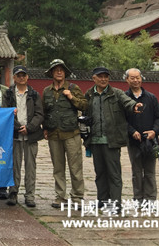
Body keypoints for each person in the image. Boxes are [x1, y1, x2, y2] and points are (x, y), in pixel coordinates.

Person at [83, 67, 143, 208]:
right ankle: (102, 200)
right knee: (100, 173)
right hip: (95, 140)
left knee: (114, 174)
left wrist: (135, 106)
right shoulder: (89, 94)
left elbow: (127, 102)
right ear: (94, 78)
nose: (104, 79)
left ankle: (116, 203)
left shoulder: (116, 93)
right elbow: (85, 112)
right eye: (100, 76)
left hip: (112, 140)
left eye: (106, 76)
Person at [42, 59, 88, 208]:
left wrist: (71, 97)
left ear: (65, 73)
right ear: (52, 73)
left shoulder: (73, 88)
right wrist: (45, 129)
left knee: (75, 168)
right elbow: (44, 111)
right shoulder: (47, 91)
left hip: (71, 133)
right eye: (56, 70)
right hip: (54, 134)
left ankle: (77, 197)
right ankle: (60, 196)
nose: (59, 72)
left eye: (61, 70)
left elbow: (84, 105)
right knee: (58, 168)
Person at [3, 66, 44, 208]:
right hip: (14, 135)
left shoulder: (34, 94)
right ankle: (13, 193)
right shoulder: (8, 93)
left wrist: (29, 127)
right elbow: (5, 112)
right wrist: (18, 127)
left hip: (31, 135)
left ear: (27, 77)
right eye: (18, 75)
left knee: (30, 167)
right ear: (14, 77)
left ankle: (30, 195)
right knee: (14, 166)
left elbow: (40, 114)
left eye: (23, 75)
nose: (21, 77)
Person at [124, 68, 159, 203]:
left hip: (150, 141)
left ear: (141, 78)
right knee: (136, 172)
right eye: (132, 78)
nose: (136, 80)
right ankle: (138, 199)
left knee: (150, 172)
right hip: (133, 141)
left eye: (138, 77)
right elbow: (121, 120)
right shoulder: (124, 98)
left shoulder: (151, 98)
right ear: (127, 80)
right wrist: (132, 131)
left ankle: (151, 199)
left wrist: (154, 131)